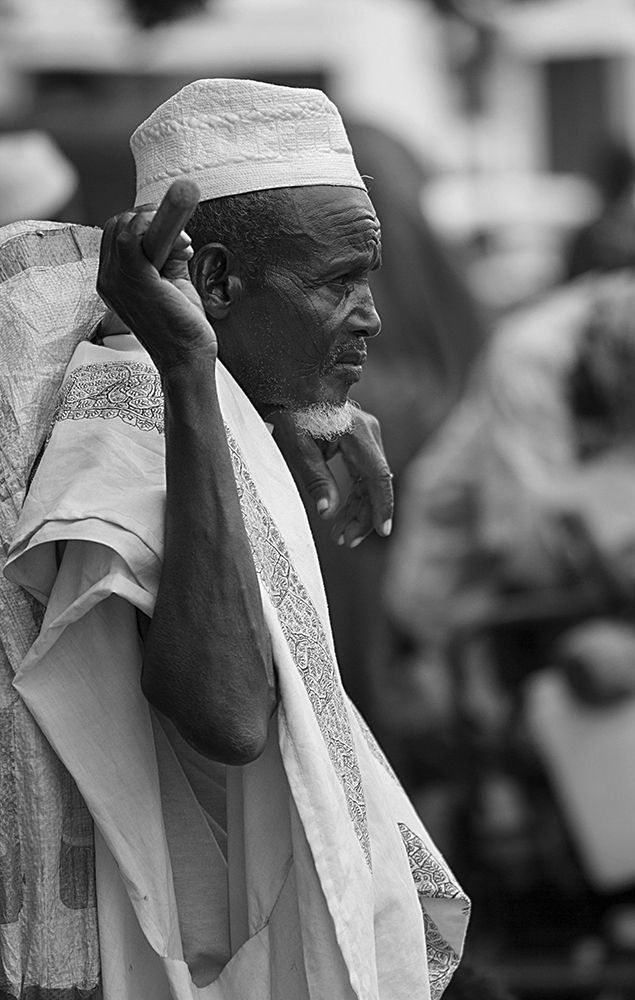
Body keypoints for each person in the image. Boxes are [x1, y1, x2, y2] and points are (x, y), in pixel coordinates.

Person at [2, 79, 469, 999]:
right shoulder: (138, 414)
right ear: (211, 283)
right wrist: (189, 372)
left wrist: (269, 396)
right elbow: (222, 713)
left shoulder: (208, 403)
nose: (371, 313)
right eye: (341, 280)